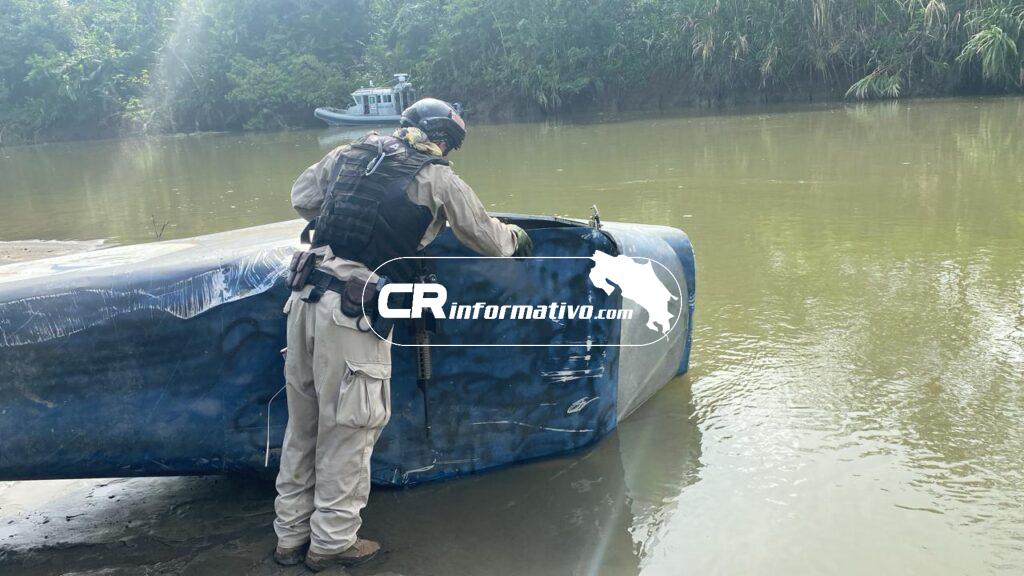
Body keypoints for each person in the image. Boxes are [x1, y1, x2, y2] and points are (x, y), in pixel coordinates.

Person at [273, 98, 533, 571]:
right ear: (444, 140)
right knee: (350, 429)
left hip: (303, 298)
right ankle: (331, 542)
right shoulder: (436, 177)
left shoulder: (351, 152)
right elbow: (490, 239)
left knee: (303, 425)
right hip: (352, 314)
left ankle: (290, 537)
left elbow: (303, 198)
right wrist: (517, 238)